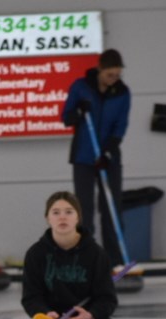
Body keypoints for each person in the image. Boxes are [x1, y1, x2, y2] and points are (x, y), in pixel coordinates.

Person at [21, 191, 123, 319]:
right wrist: (44, 313)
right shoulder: (36, 254)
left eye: (69, 211)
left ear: (78, 217)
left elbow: (107, 298)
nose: (62, 217)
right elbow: (31, 297)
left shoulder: (96, 253)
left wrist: (90, 316)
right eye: (56, 212)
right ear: (47, 218)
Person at [61, 49, 131, 265]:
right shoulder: (81, 87)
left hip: (108, 157)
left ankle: (115, 260)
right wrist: (79, 112)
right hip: (83, 156)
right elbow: (66, 117)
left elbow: (121, 125)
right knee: (84, 209)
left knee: (112, 208)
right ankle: (86, 259)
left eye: (117, 75)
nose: (114, 80)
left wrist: (108, 151)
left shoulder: (122, 93)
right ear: (100, 69)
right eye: (110, 75)